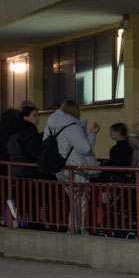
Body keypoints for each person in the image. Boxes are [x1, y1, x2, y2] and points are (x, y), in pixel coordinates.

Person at [43, 99, 100, 234]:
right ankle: (76, 229)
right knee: (80, 200)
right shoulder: (73, 126)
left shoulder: (49, 125)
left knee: (73, 198)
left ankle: (73, 228)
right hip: (75, 168)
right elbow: (85, 148)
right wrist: (92, 134)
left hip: (59, 167)